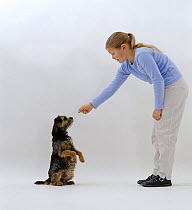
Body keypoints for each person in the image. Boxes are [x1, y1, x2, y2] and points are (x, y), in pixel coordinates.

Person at [78, 32, 188, 187]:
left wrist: (158, 108)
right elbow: (112, 87)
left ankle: (164, 177)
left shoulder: (142, 55)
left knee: (165, 133)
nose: (113, 57)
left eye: (113, 53)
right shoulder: (126, 66)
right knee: (157, 135)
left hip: (174, 88)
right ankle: (158, 173)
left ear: (123, 47)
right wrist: (92, 104)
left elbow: (158, 79)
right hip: (166, 89)